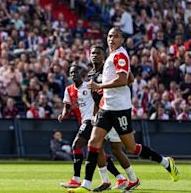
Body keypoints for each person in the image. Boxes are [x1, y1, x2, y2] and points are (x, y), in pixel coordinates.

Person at [69, 27, 179, 193]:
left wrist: (101, 86)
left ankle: (165, 162)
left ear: (122, 40)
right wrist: (104, 90)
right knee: (93, 143)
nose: (112, 39)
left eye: (116, 36)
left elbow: (122, 79)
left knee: (131, 148)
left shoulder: (120, 54)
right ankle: (86, 185)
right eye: (109, 36)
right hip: (107, 108)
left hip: (120, 109)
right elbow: (130, 77)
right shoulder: (112, 56)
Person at [59, 65, 119, 188]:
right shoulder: (69, 90)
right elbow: (67, 106)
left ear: (81, 73)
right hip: (85, 122)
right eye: (71, 73)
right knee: (98, 153)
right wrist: (63, 114)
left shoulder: (89, 86)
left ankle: (76, 179)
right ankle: (120, 178)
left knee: (76, 145)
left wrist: (97, 114)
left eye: (75, 72)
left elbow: (100, 98)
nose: (73, 74)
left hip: (91, 121)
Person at [88, 45, 133, 191]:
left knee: (119, 149)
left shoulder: (110, 67)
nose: (95, 55)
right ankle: (107, 181)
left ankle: (130, 178)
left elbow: (128, 79)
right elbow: (95, 98)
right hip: (103, 112)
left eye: (98, 53)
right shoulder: (90, 75)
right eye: (92, 53)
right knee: (96, 145)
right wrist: (94, 114)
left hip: (115, 110)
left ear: (104, 56)